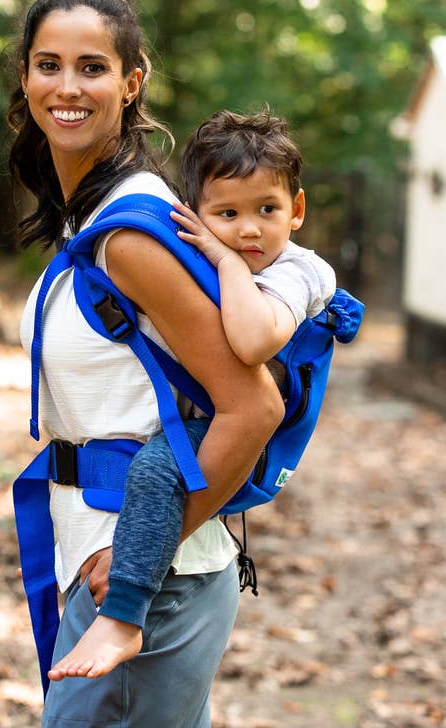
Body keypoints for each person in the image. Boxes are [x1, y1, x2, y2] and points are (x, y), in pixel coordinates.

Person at [8, 0, 283, 728]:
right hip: (106, 557)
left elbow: (254, 403)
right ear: (26, 77)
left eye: (92, 67)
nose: (68, 85)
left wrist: (136, 563)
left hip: (140, 582)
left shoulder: (130, 231)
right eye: (49, 64)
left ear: (131, 84)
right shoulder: (90, 217)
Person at [48, 108, 336, 683]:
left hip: (244, 430)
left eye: (267, 210)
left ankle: (126, 614)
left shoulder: (300, 272)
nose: (250, 229)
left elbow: (254, 341)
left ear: (296, 211)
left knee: (157, 473)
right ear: (196, 214)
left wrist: (225, 258)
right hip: (196, 421)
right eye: (227, 214)